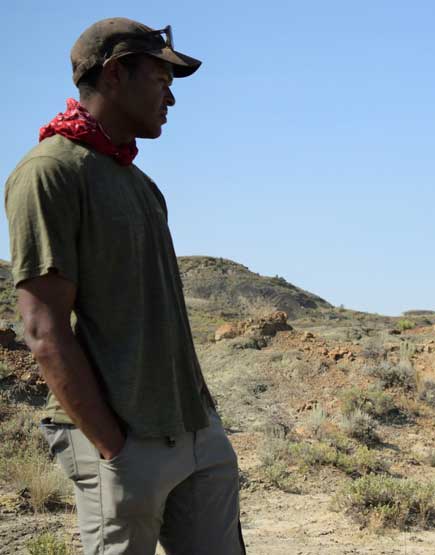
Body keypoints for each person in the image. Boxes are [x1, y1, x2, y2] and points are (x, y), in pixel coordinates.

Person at [4, 18, 245, 554]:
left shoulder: (141, 185)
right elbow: (44, 328)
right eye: (162, 80)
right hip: (125, 443)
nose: (171, 99)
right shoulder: (49, 173)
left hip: (197, 434)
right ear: (115, 74)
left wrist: (207, 426)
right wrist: (113, 447)